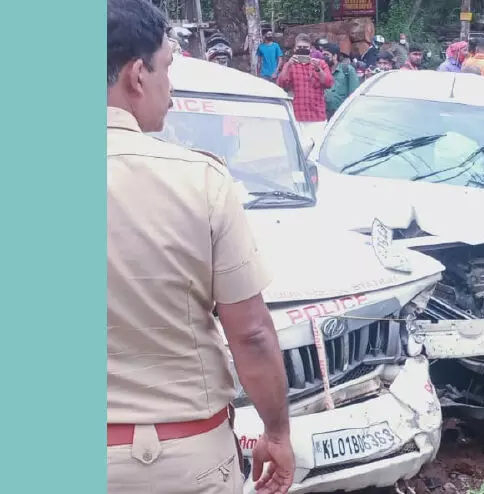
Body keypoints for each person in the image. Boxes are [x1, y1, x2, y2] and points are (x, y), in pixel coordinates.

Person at [106, 1, 294, 494]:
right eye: (167, 66)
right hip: (177, 460)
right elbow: (251, 333)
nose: (171, 87)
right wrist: (277, 432)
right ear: (136, 76)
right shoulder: (199, 179)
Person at [277, 33, 333, 144]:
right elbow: (281, 84)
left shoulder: (320, 64)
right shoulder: (290, 65)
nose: (302, 50)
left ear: (311, 49)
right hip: (298, 117)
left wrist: (318, 70)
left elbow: (329, 83)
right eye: (299, 48)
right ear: (294, 49)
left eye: (305, 48)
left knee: (317, 149)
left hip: (318, 117)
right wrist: (288, 65)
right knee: (300, 150)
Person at [322, 42, 360, 118]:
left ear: (335, 56)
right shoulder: (322, 72)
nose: (324, 58)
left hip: (341, 114)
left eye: (326, 55)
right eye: (323, 55)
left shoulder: (347, 70)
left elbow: (354, 93)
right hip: (324, 113)